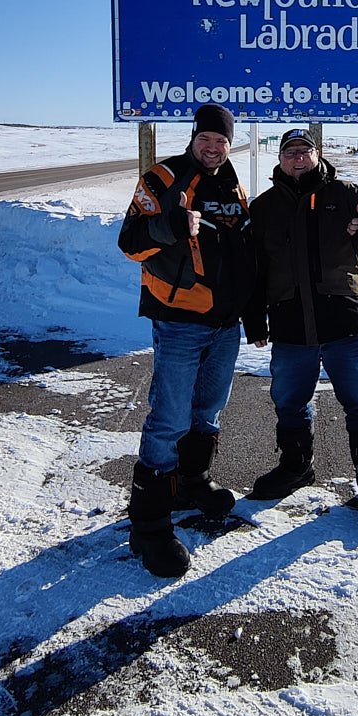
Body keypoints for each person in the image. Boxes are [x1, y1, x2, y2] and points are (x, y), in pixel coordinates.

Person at [119, 106, 255, 578]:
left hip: (225, 324)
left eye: (222, 141)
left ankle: (192, 482)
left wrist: (250, 312)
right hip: (179, 320)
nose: (213, 148)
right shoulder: (162, 178)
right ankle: (149, 525)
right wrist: (172, 225)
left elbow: (242, 253)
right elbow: (130, 242)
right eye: (206, 139)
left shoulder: (233, 185)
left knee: (207, 410)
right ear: (193, 138)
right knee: (169, 418)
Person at [243, 128, 358, 524]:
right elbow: (253, 269)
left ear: (317, 155)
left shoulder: (346, 194)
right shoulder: (264, 208)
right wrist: (254, 319)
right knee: (289, 401)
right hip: (290, 324)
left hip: (344, 320)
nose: (298, 157)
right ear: (280, 159)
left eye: (305, 150)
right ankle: (296, 467)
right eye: (290, 152)